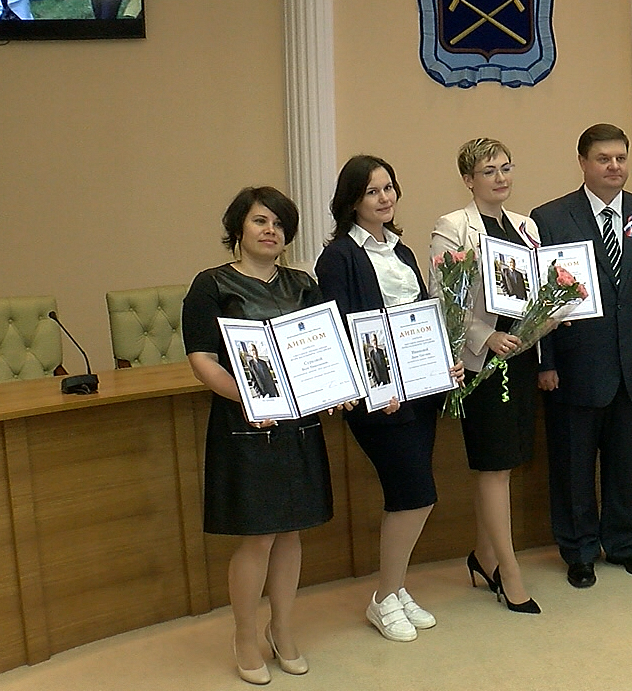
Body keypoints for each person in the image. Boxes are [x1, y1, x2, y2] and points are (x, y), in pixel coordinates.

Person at [182, 186, 337, 684]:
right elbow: (202, 359)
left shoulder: (303, 284)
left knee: (291, 531)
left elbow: (324, 350)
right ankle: (245, 636)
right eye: (260, 221)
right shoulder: (212, 284)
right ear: (238, 228)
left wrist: (336, 387)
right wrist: (248, 399)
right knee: (258, 537)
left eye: (279, 224)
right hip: (244, 425)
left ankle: (282, 628)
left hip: (298, 425)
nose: (271, 231)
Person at [314, 154, 465, 642]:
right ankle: (383, 597)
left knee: (412, 496)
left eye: (388, 188)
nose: (384, 198)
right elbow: (343, 329)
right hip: (379, 398)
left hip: (418, 393)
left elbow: (419, 318)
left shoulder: (401, 251)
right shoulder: (338, 257)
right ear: (352, 200)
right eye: (372, 191)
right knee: (414, 495)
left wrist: (443, 360)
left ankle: (395, 589)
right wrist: (379, 385)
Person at [531, 123, 632, 588]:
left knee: (627, 463)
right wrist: (545, 361)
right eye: (603, 159)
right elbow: (539, 299)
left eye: (620, 158)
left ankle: (623, 544)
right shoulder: (550, 217)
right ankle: (579, 550)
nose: (614, 166)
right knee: (573, 466)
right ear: (583, 162)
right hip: (574, 366)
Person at [430, 138, 542, 614]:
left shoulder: (526, 225)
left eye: (506, 168)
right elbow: (442, 296)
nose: (500, 177)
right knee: (493, 467)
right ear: (468, 180)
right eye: (489, 171)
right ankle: (509, 573)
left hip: (521, 358)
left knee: (505, 465)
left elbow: (537, 287)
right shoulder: (452, 226)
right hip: (481, 364)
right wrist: (485, 336)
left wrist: (552, 314)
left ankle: (484, 556)